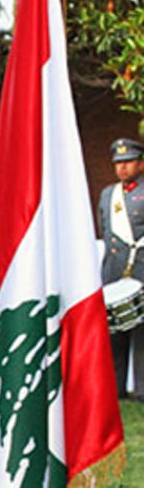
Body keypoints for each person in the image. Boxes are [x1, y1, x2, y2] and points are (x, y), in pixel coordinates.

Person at [98, 137, 144, 402]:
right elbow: (105, 229)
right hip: (115, 269)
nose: (122, 168)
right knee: (115, 330)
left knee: (141, 332)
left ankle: (141, 389)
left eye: (127, 162)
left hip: (140, 268)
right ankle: (114, 387)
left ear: (140, 163)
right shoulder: (108, 194)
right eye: (118, 164)